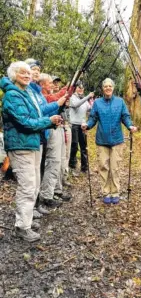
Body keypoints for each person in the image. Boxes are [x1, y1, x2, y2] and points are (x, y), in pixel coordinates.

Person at [0, 61, 62, 242]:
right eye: (22, 73)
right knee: (27, 186)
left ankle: (26, 219)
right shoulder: (12, 95)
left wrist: (51, 119)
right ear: (14, 76)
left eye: (28, 73)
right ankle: (22, 226)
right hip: (20, 146)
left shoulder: (26, 93)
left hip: (32, 144)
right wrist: (47, 121)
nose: (27, 76)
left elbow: (37, 115)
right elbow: (25, 122)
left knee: (34, 185)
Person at [81, 78, 137, 204]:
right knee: (103, 166)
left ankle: (115, 191)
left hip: (117, 140)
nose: (107, 88)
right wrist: (87, 126)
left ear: (113, 87)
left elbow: (125, 117)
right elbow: (93, 118)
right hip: (102, 140)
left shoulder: (120, 102)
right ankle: (106, 192)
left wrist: (130, 126)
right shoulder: (97, 103)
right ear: (102, 88)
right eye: (105, 86)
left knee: (115, 167)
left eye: (110, 86)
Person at [38, 73, 71, 207]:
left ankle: (56, 189)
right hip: (50, 130)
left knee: (60, 160)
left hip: (58, 128)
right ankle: (46, 195)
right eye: (50, 83)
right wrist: (67, 89)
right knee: (53, 161)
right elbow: (53, 99)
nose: (53, 85)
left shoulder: (46, 95)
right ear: (42, 85)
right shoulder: (42, 97)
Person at [69, 81, 94, 173]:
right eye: (79, 87)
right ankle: (72, 166)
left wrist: (93, 102)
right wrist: (88, 96)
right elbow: (76, 105)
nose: (81, 89)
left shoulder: (84, 100)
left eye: (82, 88)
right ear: (75, 88)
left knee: (84, 147)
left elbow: (90, 108)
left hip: (82, 125)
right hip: (74, 125)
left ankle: (85, 168)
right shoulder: (72, 97)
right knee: (74, 146)